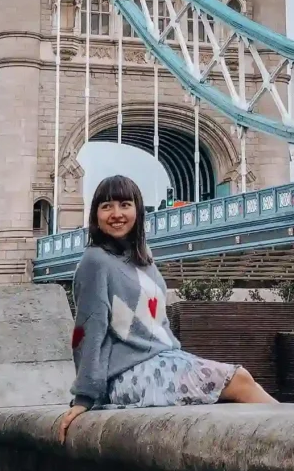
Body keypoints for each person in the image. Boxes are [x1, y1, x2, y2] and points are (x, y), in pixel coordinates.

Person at [58, 175, 276, 443]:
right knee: (239, 380)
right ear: (95, 215)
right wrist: (84, 397)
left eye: (125, 204)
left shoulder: (143, 259)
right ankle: (293, 437)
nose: (116, 214)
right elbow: (88, 331)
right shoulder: (95, 261)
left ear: (138, 209)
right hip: (129, 374)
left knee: (241, 386)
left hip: (164, 361)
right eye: (106, 207)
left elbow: (158, 325)